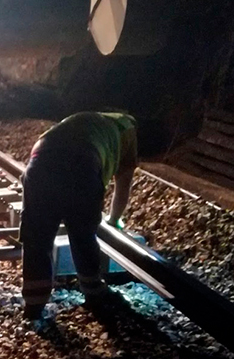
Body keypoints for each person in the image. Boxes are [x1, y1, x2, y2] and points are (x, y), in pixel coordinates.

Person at [20, 112, 137, 319]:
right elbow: (123, 183)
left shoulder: (89, 121)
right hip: (83, 163)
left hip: (40, 159)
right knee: (83, 235)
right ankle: (93, 292)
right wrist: (114, 219)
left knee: (36, 238)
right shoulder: (128, 131)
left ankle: (33, 306)